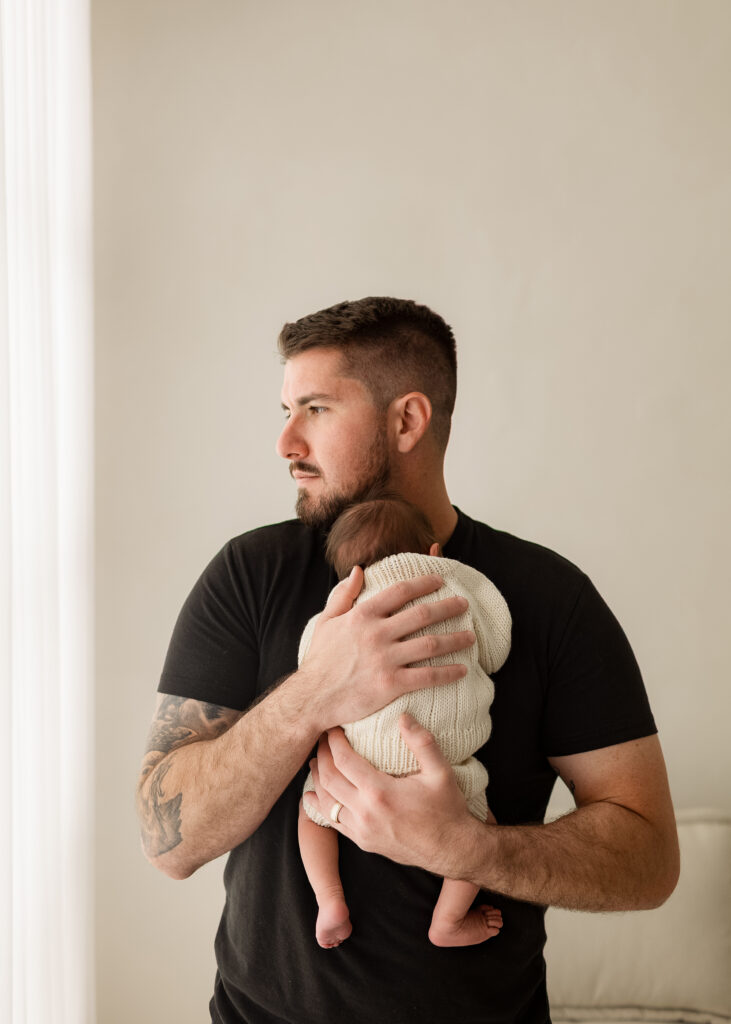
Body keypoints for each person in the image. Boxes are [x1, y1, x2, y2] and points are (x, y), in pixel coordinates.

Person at [136, 296, 680, 1024]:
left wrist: (468, 847)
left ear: (406, 421)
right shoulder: (251, 574)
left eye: (317, 409)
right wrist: (318, 689)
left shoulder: (548, 597)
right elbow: (165, 840)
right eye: (285, 409)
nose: (286, 441)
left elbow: (648, 861)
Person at [297, 494, 510, 949]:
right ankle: (447, 922)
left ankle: (330, 900)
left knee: (314, 809)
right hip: (445, 769)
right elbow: (496, 648)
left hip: (358, 758)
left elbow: (308, 671)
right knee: (482, 833)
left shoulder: (339, 610)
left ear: (347, 576)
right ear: (434, 552)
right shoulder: (454, 584)